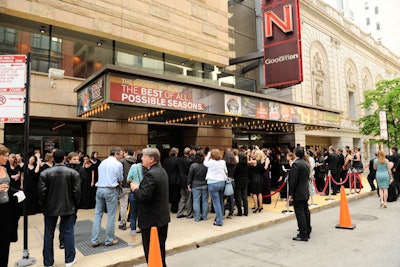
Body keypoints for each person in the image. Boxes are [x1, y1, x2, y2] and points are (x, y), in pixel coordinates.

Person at [38, 149, 81, 267]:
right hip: (68, 205)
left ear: (53, 158)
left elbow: (41, 193)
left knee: (48, 234)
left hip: (50, 207)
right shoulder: (73, 173)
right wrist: (75, 204)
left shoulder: (45, 173)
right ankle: (69, 259)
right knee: (68, 233)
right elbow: (77, 192)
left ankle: (48, 262)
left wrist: (44, 204)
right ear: (64, 159)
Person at [130, 148, 170, 267]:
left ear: (152, 159)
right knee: (159, 252)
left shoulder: (151, 174)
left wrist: (135, 189)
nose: (141, 158)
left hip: (152, 221)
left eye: (144, 156)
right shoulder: (161, 171)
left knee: (152, 252)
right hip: (161, 219)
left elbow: (143, 196)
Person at [91, 147, 123, 247]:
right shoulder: (118, 164)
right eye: (120, 154)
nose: (121, 156)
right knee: (111, 216)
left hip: (99, 188)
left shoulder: (102, 163)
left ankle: (94, 240)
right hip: (110, 189)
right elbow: (120, 178)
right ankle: (109, 240)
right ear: (116, 154)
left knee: (97, 215)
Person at [0, 145, 24, 267]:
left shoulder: (4, 169)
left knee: (5, 243)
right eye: (4, 155)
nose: (7, 157)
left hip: (7, 209)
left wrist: (16, 192)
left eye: (7, 155)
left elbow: (8, 186)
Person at [289, 146, 311, 241]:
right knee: (305, 211)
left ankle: (303, 233)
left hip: (298, 192)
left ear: (295, 153)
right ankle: (307, 229)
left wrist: (290, 194)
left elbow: (293, 181)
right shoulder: (306, 163)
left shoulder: (296, 164)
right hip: (305, 191)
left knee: (300, 213)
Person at [204, 149, 227, 226]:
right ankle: (219, 217)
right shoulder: (223, 162)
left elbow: (205, 163)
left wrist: (208, 155)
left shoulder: (211, 162)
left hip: (213, 182)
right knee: (220, 201)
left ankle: (219, 220)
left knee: (216, 202)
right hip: (222, 182)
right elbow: (225, 171)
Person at [127, 160, 145, 247]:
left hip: (134, 192)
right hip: (143, 192)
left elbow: (128, 179)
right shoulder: (146, 167)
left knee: (133, 217)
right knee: (142, 215)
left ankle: (133, 241)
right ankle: (143, 239)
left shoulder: (134, 167)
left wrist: (132, 181)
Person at [188, 150, 208, 221]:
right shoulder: (206, 166)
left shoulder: (193, 166)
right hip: (205, 184)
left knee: (196, 201)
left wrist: (188, 185)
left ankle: (197, 217)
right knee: (205, 201)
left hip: (195, 185)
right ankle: (204, 216)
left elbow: (190, 177)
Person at [119, 147, 136, 230]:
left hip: (124, 186)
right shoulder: (137, 161)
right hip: (134, 186)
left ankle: (123, 223)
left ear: (126, 152)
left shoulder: (122, 161)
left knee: (123, 205)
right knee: (135, 205)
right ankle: (134, 223)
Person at [177, 147, 193, 219]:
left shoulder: (179, 160)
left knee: (183, 197)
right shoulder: (189, 161)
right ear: (189, 153)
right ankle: (189, 214)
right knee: (189, 198)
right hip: (187, 181)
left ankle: (179, 212)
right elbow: (190, 173)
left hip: (181, 180)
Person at [163, 147, 180, 213]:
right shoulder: (178, 160)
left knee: (169, 193)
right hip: (175, 179)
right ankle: (174, 208)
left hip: (167, 179)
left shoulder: (166, 160)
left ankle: (167, 207)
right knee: (175, 194)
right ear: (176, 153)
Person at [233, 152, 249, 216]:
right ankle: (246, 212)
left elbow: (235, 174)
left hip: (238, 181)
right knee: (244, 196)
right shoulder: (247, 165)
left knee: (238, 196)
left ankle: (239, 211)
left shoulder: (237, 165)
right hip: (245, 181)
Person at [223, 150, 236, 218]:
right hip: (232, 180)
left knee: (222, 198)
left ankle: (222, 211)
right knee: (231, 198)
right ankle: (231, 212)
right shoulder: (235, 164)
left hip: (225, 181)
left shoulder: (224, 163)